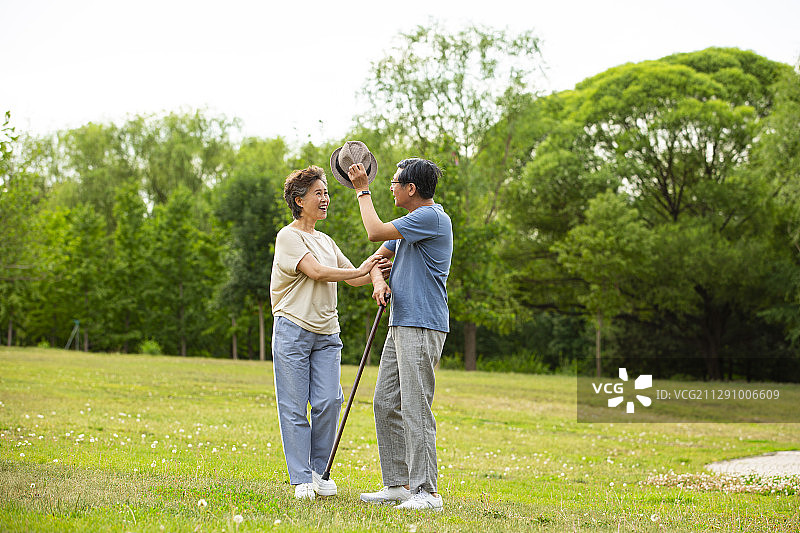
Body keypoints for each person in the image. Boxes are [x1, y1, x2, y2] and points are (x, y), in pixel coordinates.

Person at [270, 165, 388, 500]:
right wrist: (363, 269)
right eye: (319, 193)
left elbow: (352, 276)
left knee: (329, 401)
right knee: (294, 407)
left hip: (326, 334)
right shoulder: (289, 236)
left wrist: (377, 272)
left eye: (326, 193)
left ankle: (318, 472)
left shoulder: (325, 239)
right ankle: (301, 479)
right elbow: (317, 272)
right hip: (293, 329)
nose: (326, 199)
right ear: (299, 200)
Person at [345, 157, 452, 511]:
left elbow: (373, 231)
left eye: (394, 183)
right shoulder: (408, 226)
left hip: (421, 324)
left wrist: (362, 189)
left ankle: (427, 492)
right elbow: (373, 261)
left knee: (415, 406)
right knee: (385, 401)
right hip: (400, 322)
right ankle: (399, 485)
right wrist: (378, 280)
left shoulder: (431, 218)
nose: (389, 187)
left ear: (411, 189)